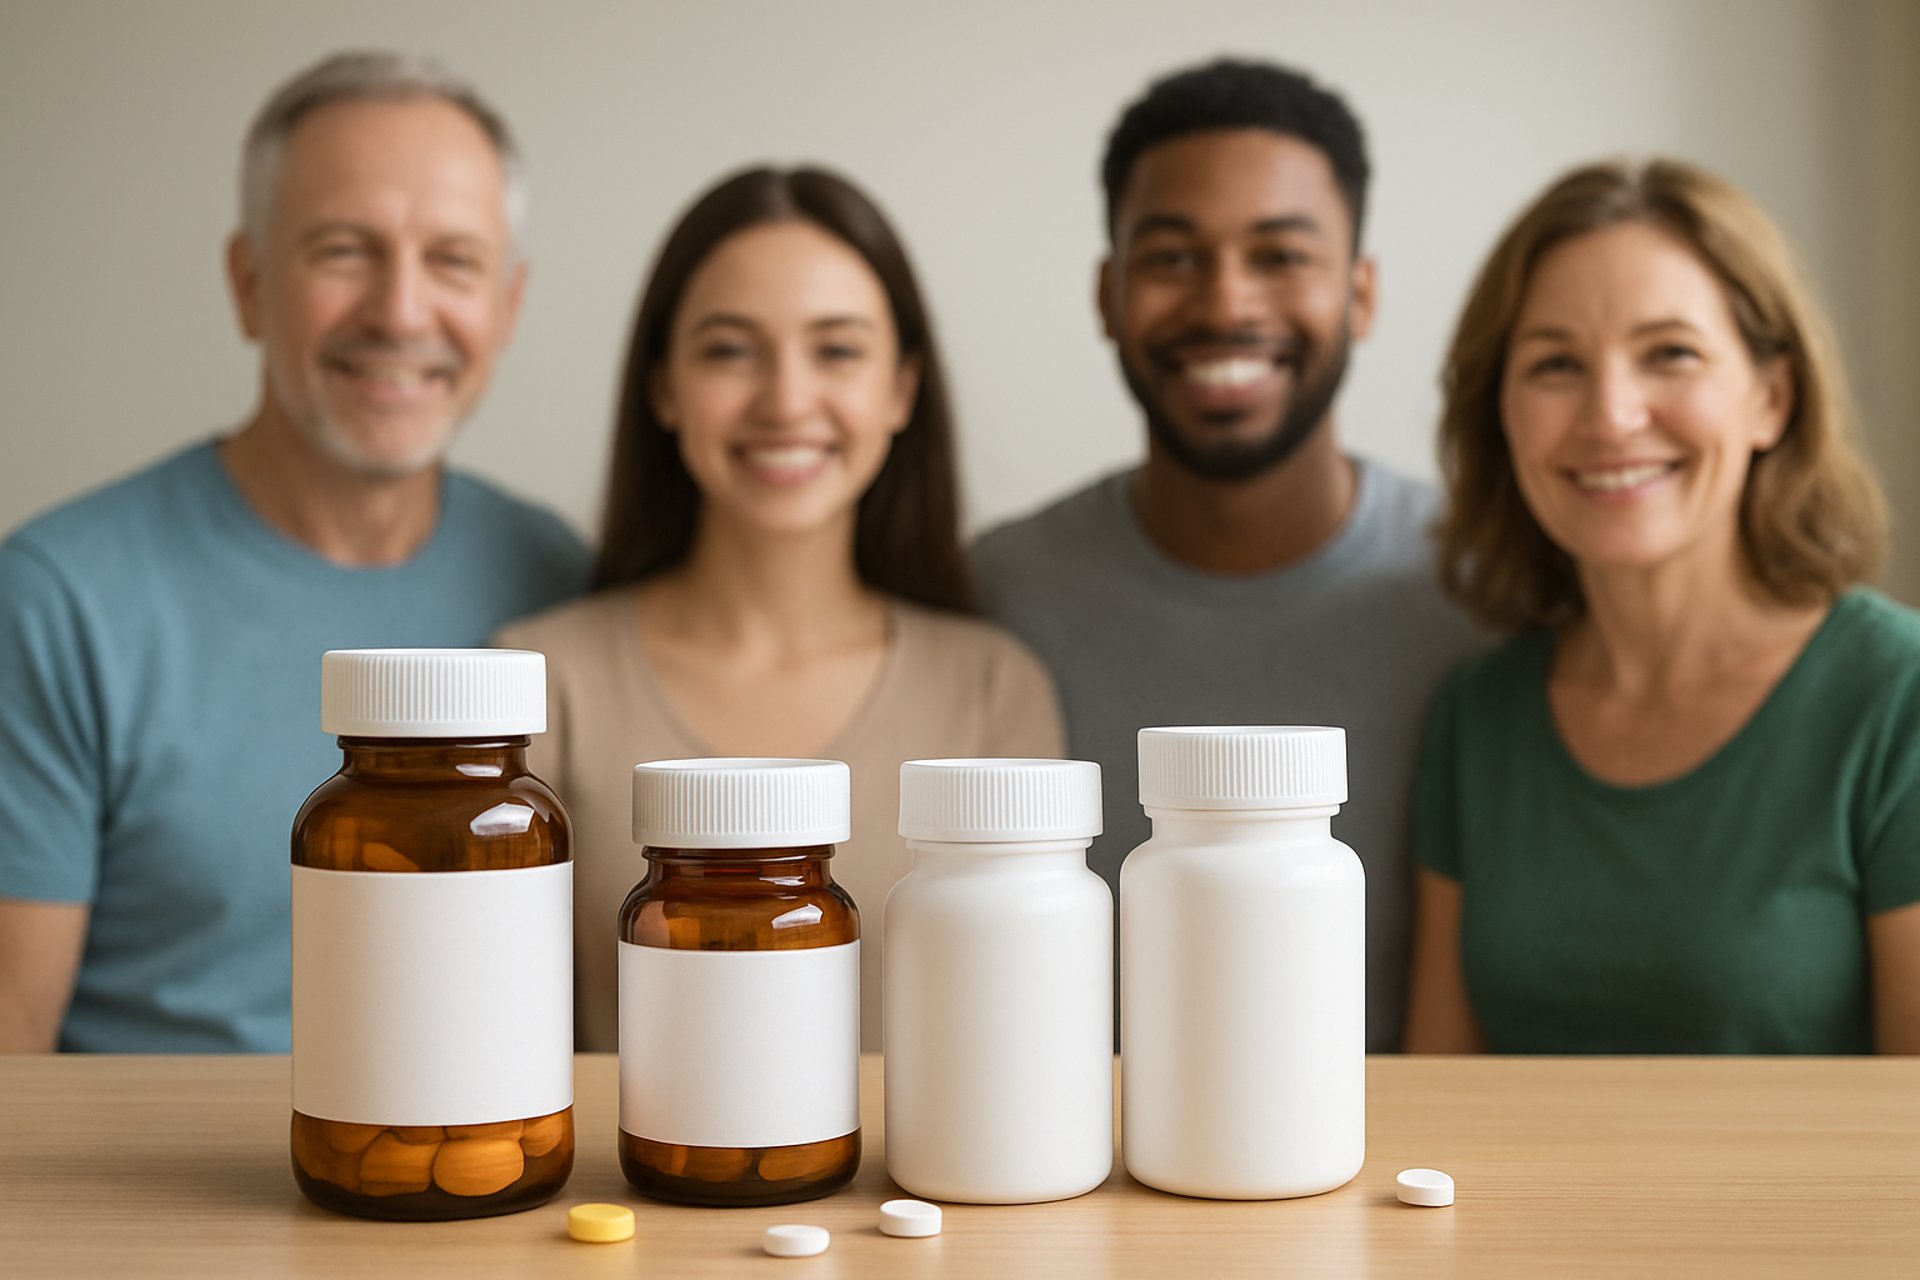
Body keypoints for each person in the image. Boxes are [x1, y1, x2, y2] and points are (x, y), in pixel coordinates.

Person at [0, 52, 590, 1053]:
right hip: (155, 1202)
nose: (401, 311)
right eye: (343, 250)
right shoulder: (57, 601)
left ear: (508, 304)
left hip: (475, 1181)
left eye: (453, 259)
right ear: (247, 283)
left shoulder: (560, 579)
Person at [972, 59, 1481, 1050]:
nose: (1225, 302)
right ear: (1107, 294)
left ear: (1362, 294)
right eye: (1171, 257)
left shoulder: (1484, 588)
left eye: (1281, 255)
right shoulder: (994, 591)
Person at [496, 166, 1062, 1052]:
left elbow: (1026, 1035)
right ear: (663, 388)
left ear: (902, 388)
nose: (787, 400)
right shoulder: (541, 681)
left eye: (837, 350)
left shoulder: (994, 688)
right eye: (729, 349)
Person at [1404, 159, 1920, 1055]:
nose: (1610, 415)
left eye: (1670, 354)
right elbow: (1437, 1100)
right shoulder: (1476, 715)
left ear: (1771, 398)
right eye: (1556, 364)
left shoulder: (1897, 697)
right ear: (1501, 414)